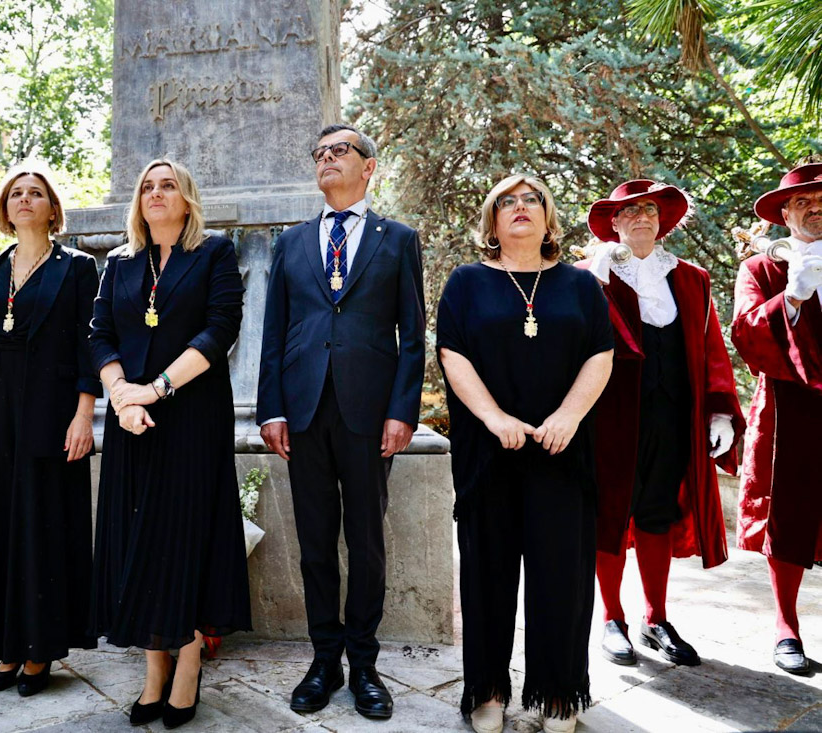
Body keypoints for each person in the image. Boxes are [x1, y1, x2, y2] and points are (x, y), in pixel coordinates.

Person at [256, 124, 425, 721]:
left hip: (368, 414)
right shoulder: (292, 242)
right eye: (320, 154)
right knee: (314, 545)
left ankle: (364, 663)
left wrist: (403, 411)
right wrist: (270, 407)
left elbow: (412, 335)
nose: (327, 159)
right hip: (302, 414)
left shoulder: (397, 240)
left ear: (368, 167)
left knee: (368, 542)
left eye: (340, 152)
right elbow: (274, 332)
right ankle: (324, 658)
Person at [437, 175, 614, 733]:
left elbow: (600, 355)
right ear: (492, 221)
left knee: (561, 576)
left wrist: (568, 416)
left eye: (531, 199)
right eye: (506, 202)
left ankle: (557, 695)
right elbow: (451, 353)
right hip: (489, 454)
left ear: (548, 217)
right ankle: (487, 691)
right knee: (487, 576)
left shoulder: (580, 286)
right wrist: (494, 418)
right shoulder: (465, 283)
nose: (520, 207)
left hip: (562, 452)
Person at [91, 158, 250, 730]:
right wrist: (122, 397)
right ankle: (152, 668)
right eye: (148, 186)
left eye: (168, 185)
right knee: (139, 540)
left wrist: (153, 391)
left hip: (190, 417)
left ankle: (186, 663)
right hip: (132, 423)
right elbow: (100, 334)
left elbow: (220, 328)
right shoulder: (118, 263)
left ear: (187, 199)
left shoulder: (214, 253)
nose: (156, 193)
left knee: (184, 539)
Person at [0, 162, 99, 697]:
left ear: (52, 208)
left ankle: (42, 649)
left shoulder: (79, 267)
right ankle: (5, 645)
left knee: (43, 525)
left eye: (36, 193)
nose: (25, 200)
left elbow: (91, 344)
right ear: (4, 208)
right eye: (16, 193)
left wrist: (85, 413)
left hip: (52, 409)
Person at [580, 180, 744, 668]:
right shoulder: (591, 276)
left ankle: (656, 618)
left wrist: (719, 410)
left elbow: (711, 347)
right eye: (629, 212)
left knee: (657, 514)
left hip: (675, 416)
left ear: (662, 218)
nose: (641, 218)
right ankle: (613, 619)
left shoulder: (690, 278)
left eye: (649, 209)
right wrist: (592, 281)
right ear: (614, 223)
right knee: (609, 514)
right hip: (610, 420)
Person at [732, 162, 822, 675]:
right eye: (802, 202)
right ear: (785, 214)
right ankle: (787, 624)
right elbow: (744, 332)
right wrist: (791, 298)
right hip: (791, 404)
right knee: (788, 514)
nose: (814, 209)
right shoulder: (761, 270)